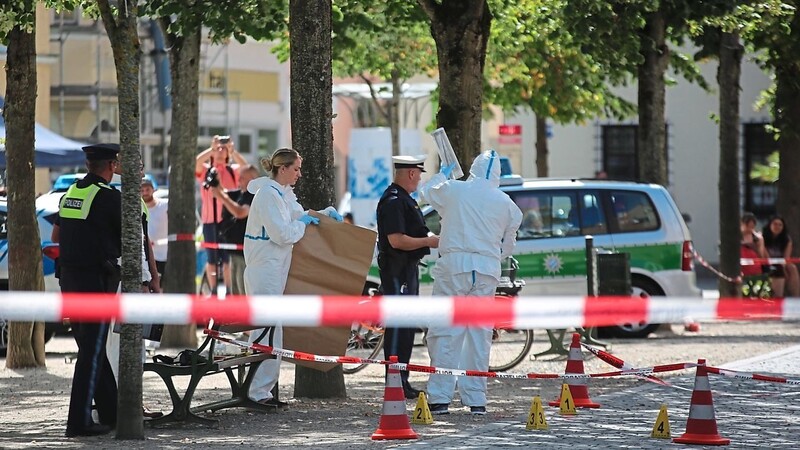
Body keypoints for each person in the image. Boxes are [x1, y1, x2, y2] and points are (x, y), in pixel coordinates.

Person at [418, 149, 522, 416]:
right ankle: (476, 399)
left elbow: (427, 193)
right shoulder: (508, 204)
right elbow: (508, 246)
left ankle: (440, 397)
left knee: (445, 331)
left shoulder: (456, 190)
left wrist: (442, 172)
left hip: (454, 265)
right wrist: (490, 255)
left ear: (473, 167)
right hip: (486, 269)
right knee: (479, 333)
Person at [243, 148, 342, 407]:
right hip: (264, 269)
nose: (299, 174)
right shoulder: (267, 196)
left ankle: (263, 390)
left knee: (271, 330)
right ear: (283, 168)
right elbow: (283, 233)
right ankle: (257, 392)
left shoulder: (282, 194)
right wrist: (305, 223)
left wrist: (322, 213)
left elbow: (298, 214)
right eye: (296, 169)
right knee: (265, 329)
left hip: (274, 269)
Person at [59, 143, 121, 437]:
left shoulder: (72, 192)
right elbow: (126, 239)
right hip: (94, 283)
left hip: (69, 281)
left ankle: (111, 411)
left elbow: (59, 233)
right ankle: (79, 422)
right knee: (92, 353)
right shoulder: (109, 197)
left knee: (90, 349)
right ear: (112, 166)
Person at [376, 155, 440, 400]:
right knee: (398, 327)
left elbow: (417, 230)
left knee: (406, 328)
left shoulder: (404, 199)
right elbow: (396, 240)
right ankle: (394, 381)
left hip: (406, 268)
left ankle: (402, 379)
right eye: (419, 174)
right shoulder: (393, 201)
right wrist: (430, 242)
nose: (420, 179)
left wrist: (428, 237)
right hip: (397, 271)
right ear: (411, 173)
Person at [195, 135, 247, 294]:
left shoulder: (233, 171)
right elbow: (196, 162)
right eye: (217, 148)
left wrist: (233, 151)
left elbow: (246, 168)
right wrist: (212, 147)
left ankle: (230, 290)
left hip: (228, 221)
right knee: (211, 258)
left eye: (223, 148)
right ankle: (213, 291)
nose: (220, 151)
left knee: (227, 259)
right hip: (210, 220)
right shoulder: (206, 170)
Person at [211, 164, 259, 295]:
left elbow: (241, 212)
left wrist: (221, 197)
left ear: (252, 179)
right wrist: (216, 182)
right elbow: (226, 193)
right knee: (235, 290)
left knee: (243, 290)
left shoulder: (255, 195)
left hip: (246, 252)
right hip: (236, 251)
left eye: (242, 178)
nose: (239, 181)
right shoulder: (242, 193)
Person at [762, 215, 799, 297]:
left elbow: (786, 258)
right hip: (766, 263)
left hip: (781, 263)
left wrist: (784, 269)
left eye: (780, 225)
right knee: (777, 269)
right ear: (770, 225)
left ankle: (796, 297)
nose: (777, 227)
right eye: (775, 224)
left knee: (792, 267)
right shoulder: (762, 237)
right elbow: (765, 257)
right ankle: (778, 297)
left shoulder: (786, 240)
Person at [142, 176, 168, 283]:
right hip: (148, 257)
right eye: (142, 190)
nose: (145, 193)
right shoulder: (138, 208)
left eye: (148, 189)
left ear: (153, 190)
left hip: (165, 255)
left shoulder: (165, 205)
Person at [741, 212, 767, 278]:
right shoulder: (736, 237)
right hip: (740, 265)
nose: (750, 229)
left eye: (752, 226)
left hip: (754, 265)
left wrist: (754, 247)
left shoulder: (758, 238)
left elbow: (761, 256)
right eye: (747, 226)